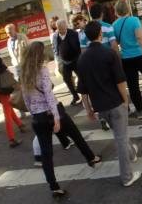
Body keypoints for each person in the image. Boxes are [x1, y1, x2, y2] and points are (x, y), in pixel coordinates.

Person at [19, 41, 100, 196]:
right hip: (52, 112)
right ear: (39, 54)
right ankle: (91, 158)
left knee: (46, 154)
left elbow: (25, 98)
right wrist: (56, 118)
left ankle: (54, 186)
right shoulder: (41, 70)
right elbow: (49, 96)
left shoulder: (24, 72)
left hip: (37, 117)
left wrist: (33, 113)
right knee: (75, 134)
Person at [76, 21, 141, 187]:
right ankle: (126, 177)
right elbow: (120, 80)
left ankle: (132, 153)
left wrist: (88, 109)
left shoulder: (82, 59)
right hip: (115, 102)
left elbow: (82, 90)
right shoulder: (109, 54)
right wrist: (125, 99)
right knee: (120, 138)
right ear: (100, 34)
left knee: (120, 134)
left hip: (100, 107)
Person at [51, 20, 82, 105]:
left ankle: (85, 94)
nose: (62, 30)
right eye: (60, 29)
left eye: (64, 28)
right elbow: (54, 48)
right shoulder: (55, 36)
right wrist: (58, 59)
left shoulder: (74, 33)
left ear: (66, 26)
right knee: (67, 79)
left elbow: (80, 46)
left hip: (76, 59)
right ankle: (75, 96)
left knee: (82, 77)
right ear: (57, 28)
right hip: (64, 61)